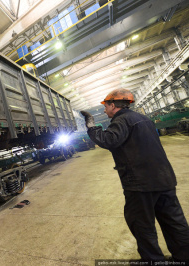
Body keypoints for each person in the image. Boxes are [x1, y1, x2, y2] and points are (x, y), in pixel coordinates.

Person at [80, 88, 189, 262]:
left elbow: (109, 140)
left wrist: (91, 127)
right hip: (164, 179)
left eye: (105, 106)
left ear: (113, 105)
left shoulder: (122, 120)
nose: (104, 110)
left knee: (142, 225)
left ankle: (154, 261)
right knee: (174, 222)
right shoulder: (144, 119)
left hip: (141, 184)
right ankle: (184, 257)